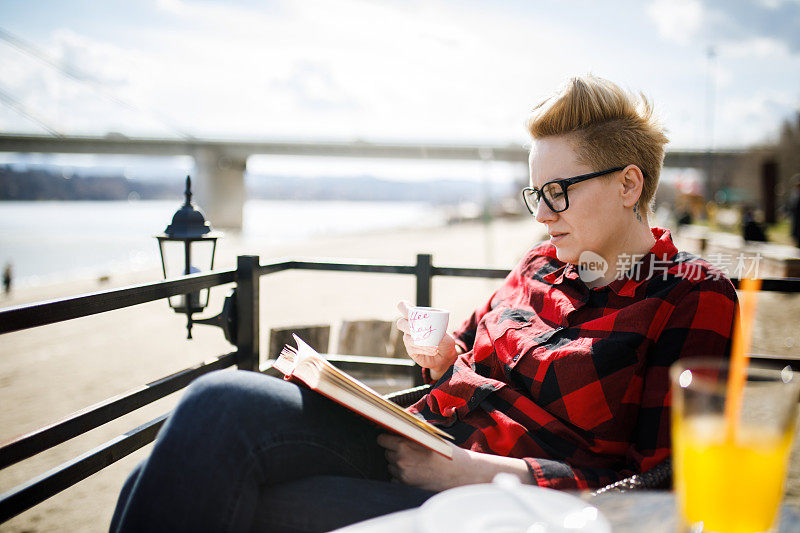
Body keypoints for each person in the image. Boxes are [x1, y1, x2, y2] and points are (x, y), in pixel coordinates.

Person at [110, 76, 736, 532]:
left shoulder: (691, 297)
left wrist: (475, 472)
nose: (543, 213)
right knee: (215, 406)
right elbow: (460, 356)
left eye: (560, 192)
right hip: (418, 439)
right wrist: (440, 354)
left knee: (197, 488)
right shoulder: (542, 262)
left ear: (629, 184)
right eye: (535, 194)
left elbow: (664, 487)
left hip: (508, 504)